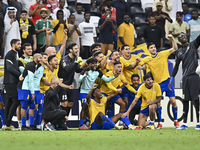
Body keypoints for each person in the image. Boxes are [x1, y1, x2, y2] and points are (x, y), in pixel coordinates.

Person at [139, 34, 179, 129]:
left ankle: (176, 121)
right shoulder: (147, 59)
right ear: (148, 50)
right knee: (158, 104)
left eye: (154, 47)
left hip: (167, 82)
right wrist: (140, 66)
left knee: (173, 101)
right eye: (151, 48)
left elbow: (175, 48)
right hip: (157, 84)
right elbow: (139, 64)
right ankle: (159, 123)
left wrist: (172, 39)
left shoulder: (162, 54)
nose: (153, 49)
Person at [169, 33, 200, 130]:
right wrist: (172, 78)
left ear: (187, 37)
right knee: (185, 100)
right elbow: (177, 66)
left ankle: (198, 123)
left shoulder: (194, 44)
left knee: (196, 100)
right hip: (185, 78)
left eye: (184, 36)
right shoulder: (179, 52)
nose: (183, 37)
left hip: (194, 76)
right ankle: (185, 124)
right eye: (181, 37)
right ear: (179, 40)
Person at [78, 58, 117, 129]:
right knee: (84, 106)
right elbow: (79, 80)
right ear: (89, 64)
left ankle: (88, 121)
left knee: (91, 107)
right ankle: (81, 125)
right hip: (83, 92)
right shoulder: (85, 71)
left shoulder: (98, 72)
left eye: (95, 63)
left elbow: (106, 80)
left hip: (92, 92)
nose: (95, 64)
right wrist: (84, 75)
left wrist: (114, 76)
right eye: (93, 63)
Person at [58, 43, 83, 127]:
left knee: (70, 104)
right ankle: (60, 122)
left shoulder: (75, 59)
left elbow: (77, 70)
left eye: (78, 48)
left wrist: (87, 68)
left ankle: (64, 122)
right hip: (62, 85)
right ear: (70, 50)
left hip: (70, 85)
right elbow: (68, 70)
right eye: (75, 48)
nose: (77, 50)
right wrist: (76, 63)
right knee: (64, 103)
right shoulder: (64, 59)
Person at [18, 53, 42, 130]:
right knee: (24, 106)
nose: (41, 59)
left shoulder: (34, 65)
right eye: (40, 57)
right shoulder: (31, 65)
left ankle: (31, 125)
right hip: (24, 88)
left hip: (28, 88)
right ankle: (23, 126)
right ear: (35, 58)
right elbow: (30, 80)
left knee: (32, 106)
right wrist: (33, 92)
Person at [3, 39, 22, 130]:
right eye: (18, 44)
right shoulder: (10, 54)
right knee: (16, 101)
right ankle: (7, 123)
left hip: (11, 81)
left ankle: (7, 124)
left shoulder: (14, 54)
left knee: (10, 102)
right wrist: (20, 75)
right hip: (10, 81)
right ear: (13, 44)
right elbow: (9, 68)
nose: (20, 46)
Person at [17, 43, 33, 128]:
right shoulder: (20, 60)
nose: (30, 50)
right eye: (28, 49)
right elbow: (23, 71)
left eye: (31, 49)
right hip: (23, 85)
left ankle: (27, 122)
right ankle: (20, 123)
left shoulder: (32, 58)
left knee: (31, 104)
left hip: (32, 85)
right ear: (23, 50)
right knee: (21, 105)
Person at [33, 52, 48, 129]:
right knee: (34, 106)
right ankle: (30, 123)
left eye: (46, 58)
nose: (45, 60)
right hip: (33, 89)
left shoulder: (44, 67)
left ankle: (38, 125)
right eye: (43, 58)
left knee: (41, 107)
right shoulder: (34, 66)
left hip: (39, 90)